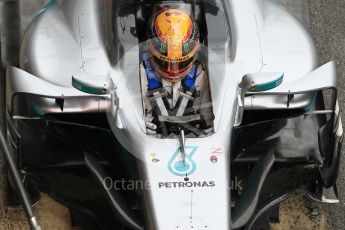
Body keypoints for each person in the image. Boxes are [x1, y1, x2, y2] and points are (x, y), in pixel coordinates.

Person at [140, 6, 214, 137]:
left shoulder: (201, 74)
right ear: (152, 52)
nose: (172, 70)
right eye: (166, 61)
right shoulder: (142, 73)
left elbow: (210, 121)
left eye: (180, 62)